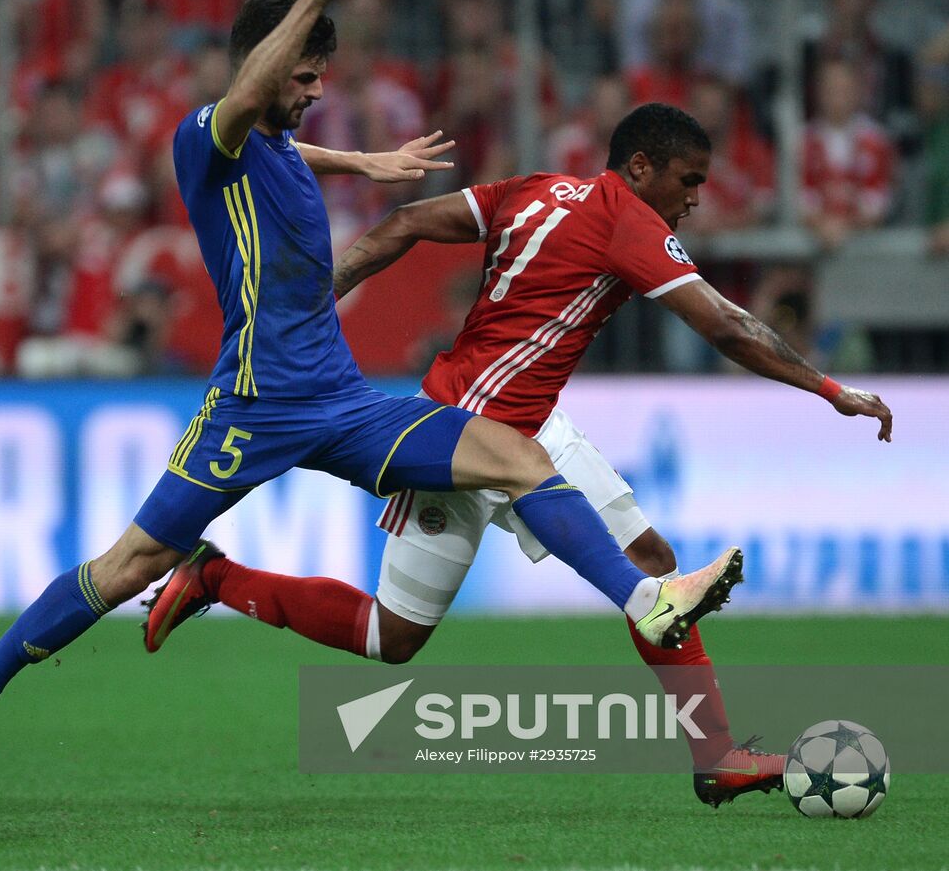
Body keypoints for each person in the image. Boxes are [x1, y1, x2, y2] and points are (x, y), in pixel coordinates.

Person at [0, 0, 746, 790]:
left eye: (320, 78)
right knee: (130, 562)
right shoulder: (208, 135)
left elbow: (286, 142)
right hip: (251, 404)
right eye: (304, 76)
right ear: (266, 63)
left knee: (518, 454)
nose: (314, 94)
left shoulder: (270, 144)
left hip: (341, 401)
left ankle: (650, 598)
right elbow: (243, 99)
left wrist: (363, 161)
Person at [145, 101, 894, 808]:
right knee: (392, 636)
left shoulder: (534, 188)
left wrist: (313, 304)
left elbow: (405, 220)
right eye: (688, 179)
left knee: (651, 561)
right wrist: (828, 388)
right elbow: (726, 327)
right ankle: (216, 575)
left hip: (531, 421)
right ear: (641, 168)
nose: (694, 198)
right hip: (465, 432)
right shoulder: (628, 224)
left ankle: (716, 754)